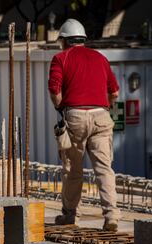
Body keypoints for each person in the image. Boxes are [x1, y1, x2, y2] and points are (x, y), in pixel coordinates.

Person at [48, 19, 121, 231]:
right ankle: (111, 216)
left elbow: (54, 90)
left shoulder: (60, 58)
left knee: (72, 170)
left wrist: (61, 108)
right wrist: (103, 107)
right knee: (104, 169)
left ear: (64, 40)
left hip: (75, 117)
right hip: (101, 116)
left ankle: (70, 216)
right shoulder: (100, 58)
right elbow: (114, 93)